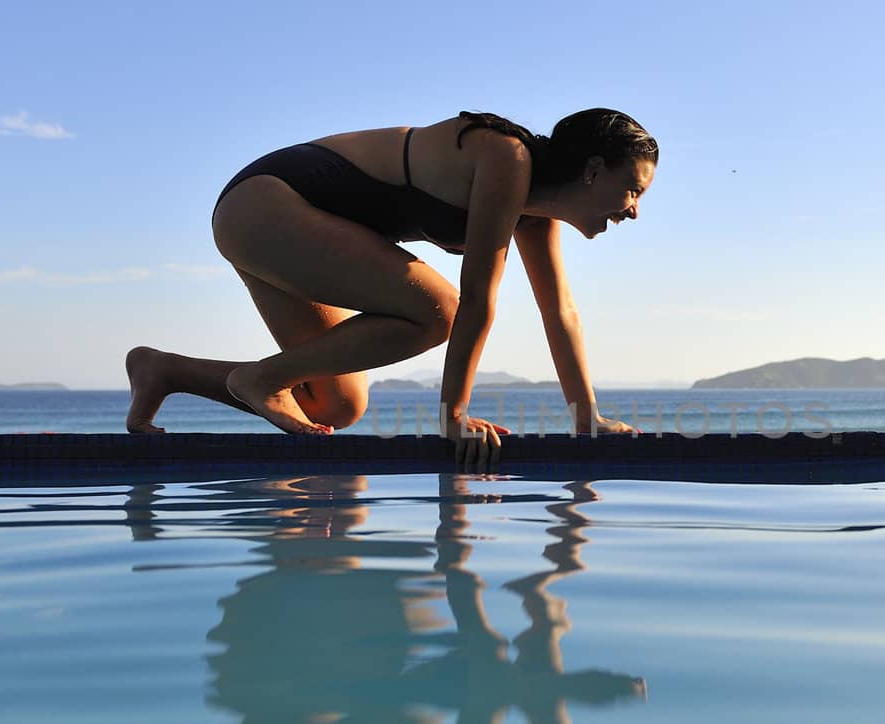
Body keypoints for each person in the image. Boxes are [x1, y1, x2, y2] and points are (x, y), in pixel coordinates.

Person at [125, 109, 657, 464]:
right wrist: (452, 418)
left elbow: (559, 311)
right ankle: (261, 380)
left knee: (334, 405)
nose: (633, 211)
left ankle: (165, 370)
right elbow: (475, 300)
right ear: (592, 170)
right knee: (440, 310)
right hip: (268, 204)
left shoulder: (533, 213)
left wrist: (587, 419)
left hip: (285, 223)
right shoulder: (506, 158)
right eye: (632, 189)